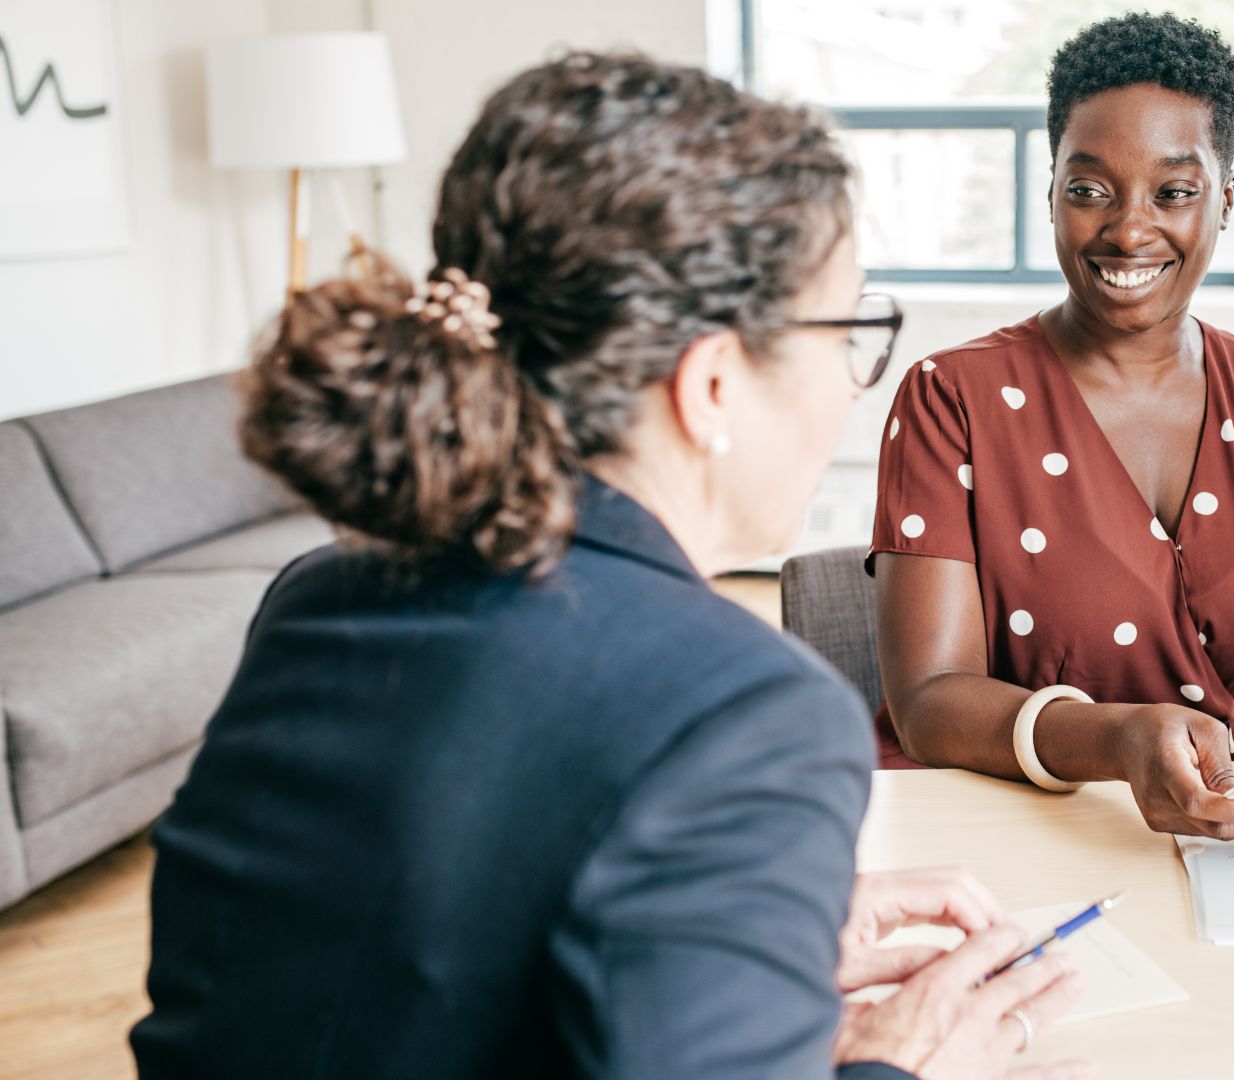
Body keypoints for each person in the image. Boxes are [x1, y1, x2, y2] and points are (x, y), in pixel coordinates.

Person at [132, 52, 1086, 1080]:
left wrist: (725, 926)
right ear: (713, 383)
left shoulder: (319, 594)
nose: (856, 387)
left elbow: (382, 954)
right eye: (850, 331)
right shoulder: (750, 716)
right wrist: (891, 1065)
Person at [869, 14, 1234, 838]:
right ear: (1052, 191)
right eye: (1089, 189)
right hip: (995, 826)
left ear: (1226, 195)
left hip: (1212, 821)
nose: (1129, 230)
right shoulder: (952, 397)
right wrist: (1117, 739)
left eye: (1173, 191)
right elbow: (927, 701)